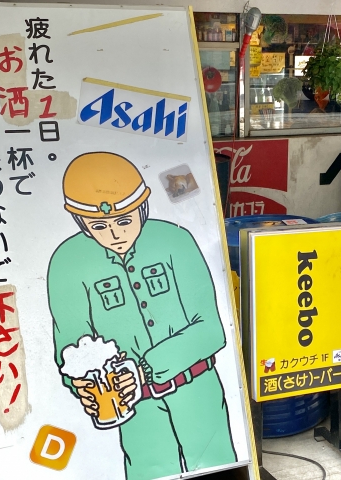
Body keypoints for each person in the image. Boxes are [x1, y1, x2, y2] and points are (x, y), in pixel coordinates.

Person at [47, 152, 236, 480]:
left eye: (124, 220)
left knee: (218, 469)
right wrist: (84, 388)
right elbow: (70, 350)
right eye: (99, 226)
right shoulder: (67, 262)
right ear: (82, 223)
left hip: (198, 388)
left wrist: (144, 369)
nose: (115, 233)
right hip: (135, 411)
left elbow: (212, 329)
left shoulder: (175, 240)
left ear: (142, 208)